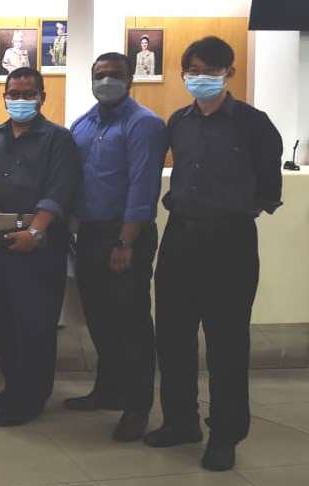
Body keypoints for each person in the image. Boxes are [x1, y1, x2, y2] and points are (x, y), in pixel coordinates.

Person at [144, 36, 283, 472]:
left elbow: (269, 188)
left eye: (209, 71)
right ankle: (180, 421)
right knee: (172, 336)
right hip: (180, 237)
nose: (199, 78)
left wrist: (229, 209)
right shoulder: (178, 121)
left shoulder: (254, 123)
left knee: (226, 342)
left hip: (230, 241)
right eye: (193, 71)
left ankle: (225, 434)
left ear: (229, 74)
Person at [0, 67, 80, 427]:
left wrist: (35, 232)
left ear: (42, 97)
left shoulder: (59, 139)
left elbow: (60, 190)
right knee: (3, 322)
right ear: (5, 98)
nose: (20, 100)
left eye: (28, 94)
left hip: (40, 247)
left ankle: (31, 399)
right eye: (13, 94)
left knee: (36, 325)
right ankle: (13, 386)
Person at [67, 53, 167, 442]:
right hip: (90, 234)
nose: (106, 81)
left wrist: (126, 240)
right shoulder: (82, 123)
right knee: (100, 319)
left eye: (115, 74)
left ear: (130, 80)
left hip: (125, 235)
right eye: (100, 74)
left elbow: (143, 187)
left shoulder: (144, 124)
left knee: (131, 325)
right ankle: (108, 390)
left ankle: (137, 408)